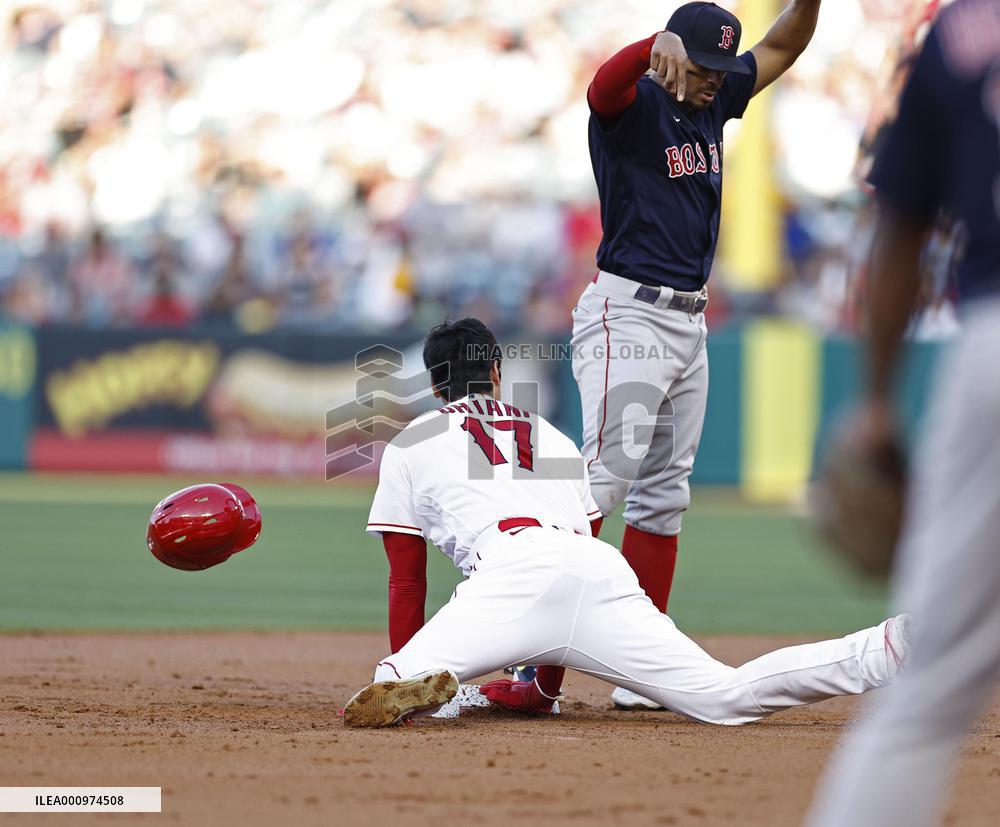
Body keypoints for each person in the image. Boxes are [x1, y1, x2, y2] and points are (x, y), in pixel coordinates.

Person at [342, 317, 910, 728]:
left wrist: (410, 653)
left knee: (391, 679)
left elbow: (406, 579)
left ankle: (426, 682)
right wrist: (543, 686)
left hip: (508, 574)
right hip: (594, 569)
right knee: (722, 695)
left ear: (434, 383)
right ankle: (886, 646)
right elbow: (578, 546)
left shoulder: (412, 440)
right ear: (496, 370)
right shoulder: (551, 435)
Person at [570, 0, 824, 710]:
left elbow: (782, 47)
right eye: (704, 66)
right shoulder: (636, 108)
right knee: (602, 480)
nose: (715, 80)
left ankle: (639, 668)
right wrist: (653, 44)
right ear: (674, 56)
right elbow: (600, 89)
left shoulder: (713, 102)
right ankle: (535, 662)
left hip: (688, 319)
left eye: (721, 68)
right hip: (629, 311)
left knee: (662, 494)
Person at [807, 2, 1000, 825]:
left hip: (994, 345)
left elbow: (900, 230)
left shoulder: (962, 31)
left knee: (925, 700)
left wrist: (875, 407)